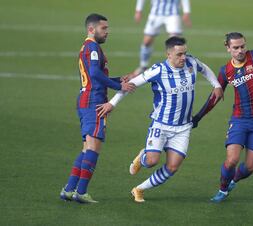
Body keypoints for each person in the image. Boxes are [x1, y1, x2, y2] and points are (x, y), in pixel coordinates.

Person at [96, 36, 223, 202]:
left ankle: (139, 189)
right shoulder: (158, 70)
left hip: (183, 127)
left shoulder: (191, 62)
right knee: (151, 161)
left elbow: (205, 69)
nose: (183, 57)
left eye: (185, 53)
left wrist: (217, 85)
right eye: (179, 54)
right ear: (168, 55)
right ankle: (143, 157)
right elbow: (130, 85)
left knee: (172, 167)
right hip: (161, 125)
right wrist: (112, 103)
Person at [192, 32, 253, 203]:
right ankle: (222, 191)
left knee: (250, 167)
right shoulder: (226, 71)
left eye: (242, 46)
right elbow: (215, 96)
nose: (240, 50)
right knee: (232, 160)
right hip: (239, 119)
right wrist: (198, 116)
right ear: (228, 48)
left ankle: (233, 181)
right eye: (236, 48)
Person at [59, 13, 136, 204]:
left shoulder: (89, 47)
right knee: (93, 148)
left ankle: (69, 189)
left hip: (86, 99)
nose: (107, 32)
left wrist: (120, 79)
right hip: (94, 102)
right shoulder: (92, 47)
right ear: (91, 29)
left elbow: (96, 75)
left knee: (86, 148)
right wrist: (119, 87)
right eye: (104, 28)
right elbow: (94, 73)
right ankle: (81, 192)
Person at [132, 0, 192, 75]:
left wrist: (186, 12)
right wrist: (138, 10)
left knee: (175, 44)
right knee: (146, 41)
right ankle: (143, 66)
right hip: (155, 14)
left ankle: (176, 68)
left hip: (173, 15)